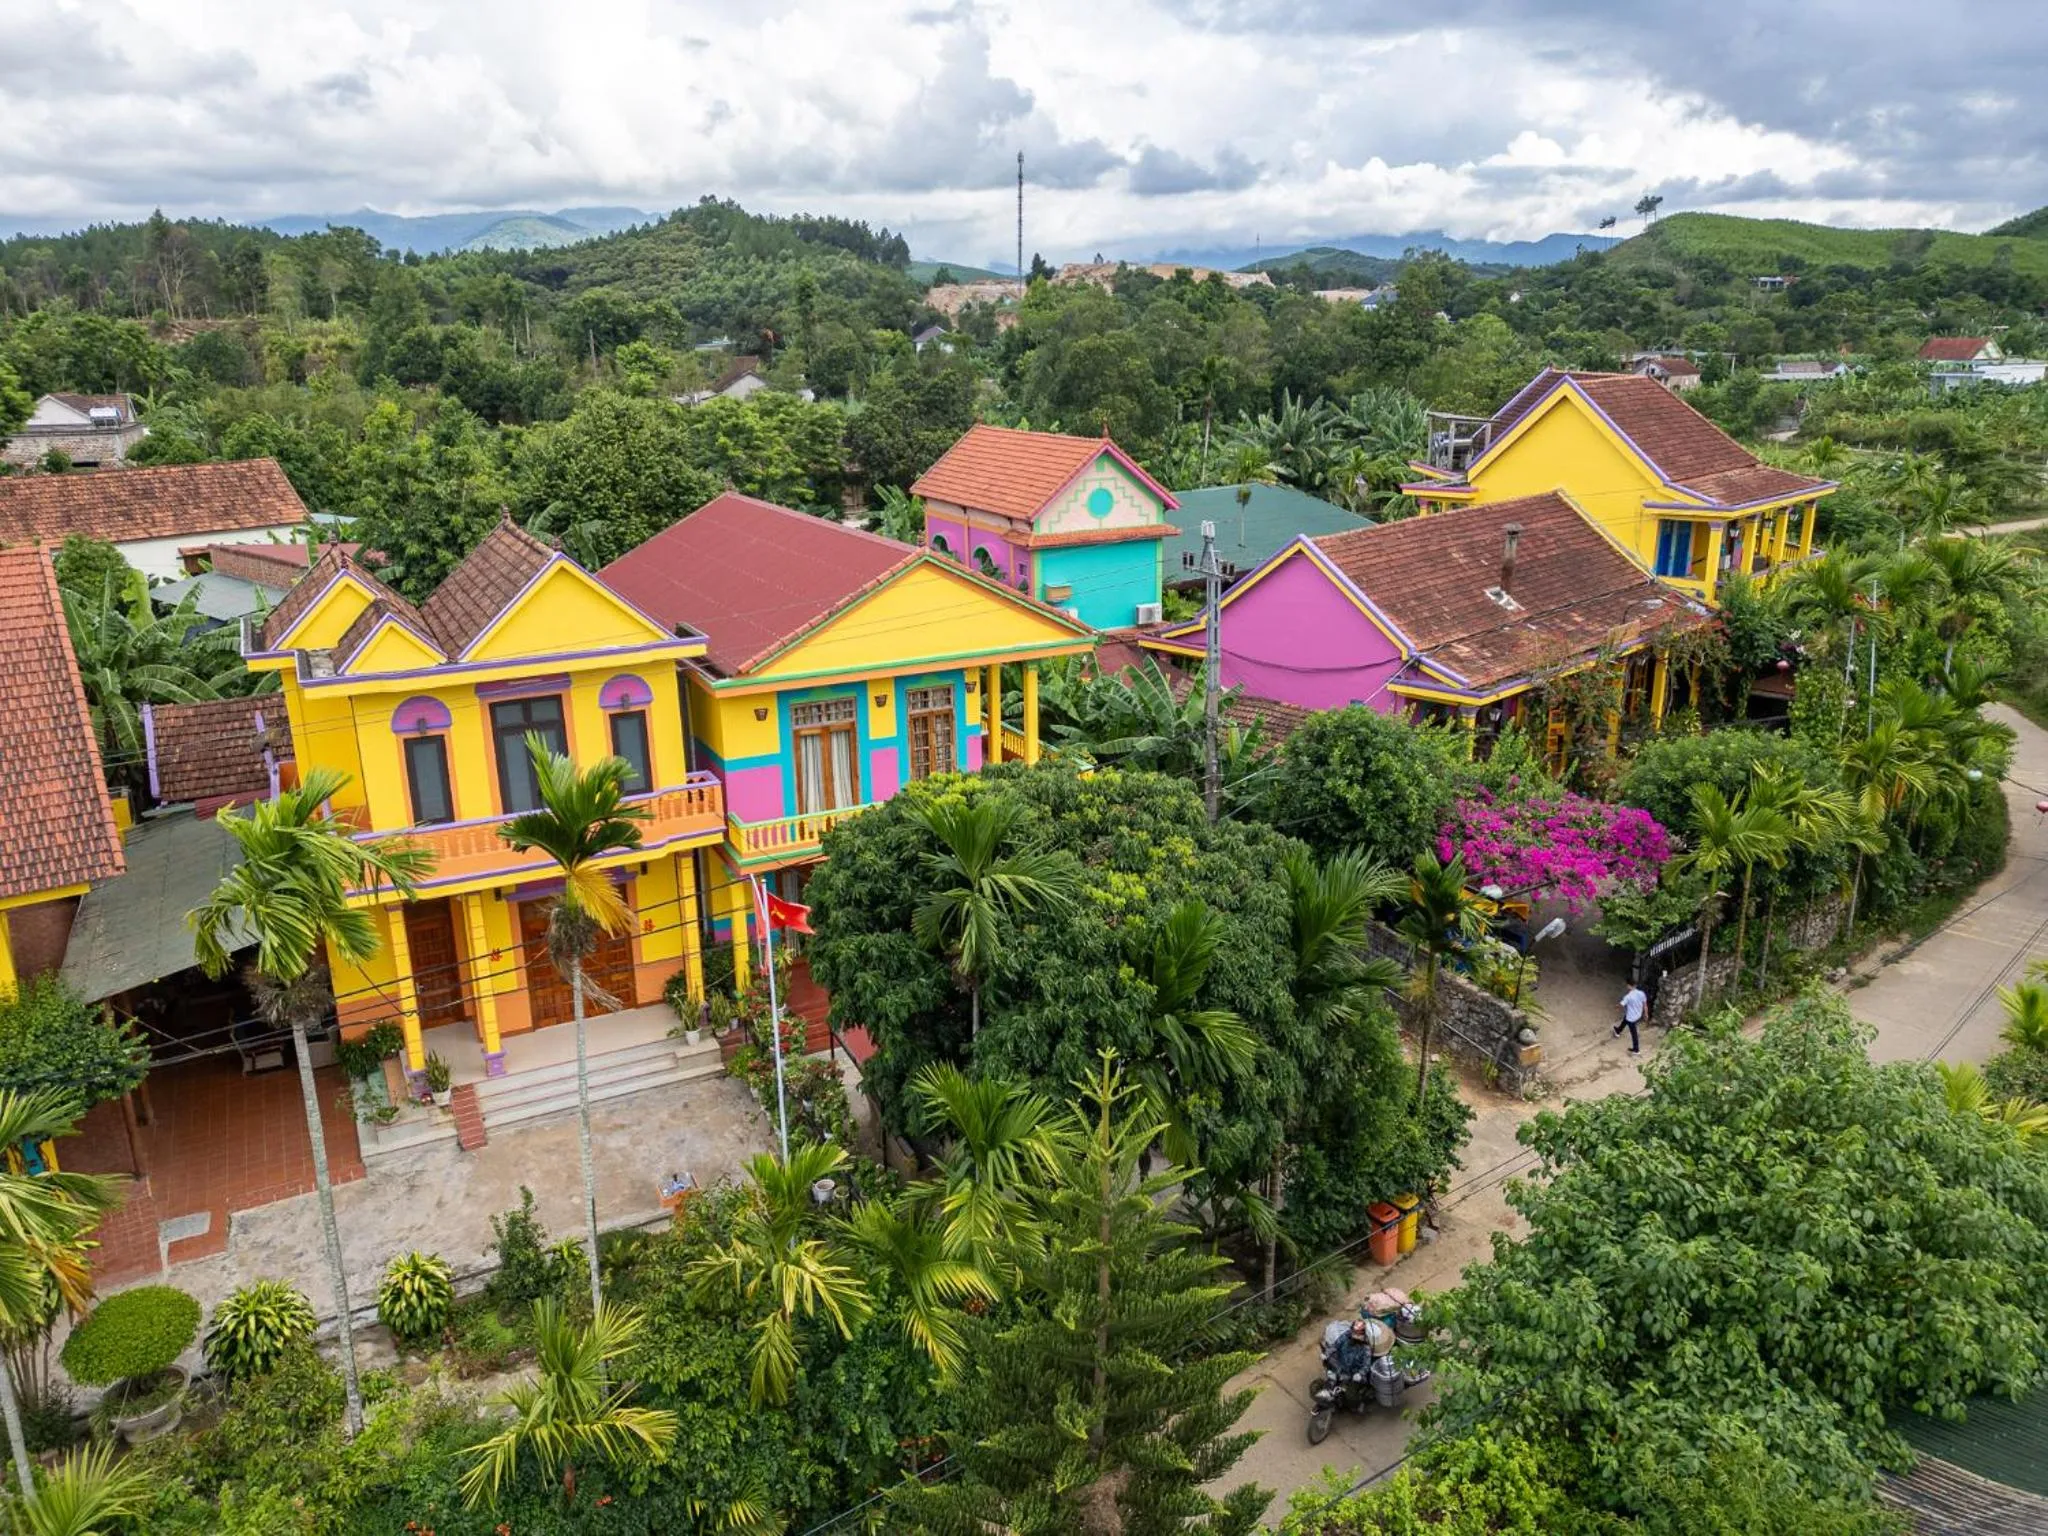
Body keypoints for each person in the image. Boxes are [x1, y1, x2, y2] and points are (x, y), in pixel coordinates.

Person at [1330, 1318, 1376, 1384]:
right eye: (1355, 1332)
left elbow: (1367, 1364)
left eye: (1358, 1333)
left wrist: (1360, 1373)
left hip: (1354, 1372)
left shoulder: (1366, 1347)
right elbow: (1336, 1345)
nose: (1356, 1335)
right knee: (1331, 1359)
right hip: (1342, 1365)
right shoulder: (1346, 1335)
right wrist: (1327, 1353)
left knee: (1360, 1381)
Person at [1613, 980, 1648, 1054]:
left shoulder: (1628, 997)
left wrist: (1616, 1006)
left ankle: (1636, 1049)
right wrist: (1646, 1014)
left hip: (1631, 1018)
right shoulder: (1641, 993)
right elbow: (1645, 1005)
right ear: (1635, 985)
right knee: (1625, 1020)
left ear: (1629, 986)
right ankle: (1618, 1031)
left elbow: (1621, 1005)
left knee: (1633, 1033)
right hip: (1638, 1014)